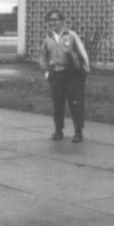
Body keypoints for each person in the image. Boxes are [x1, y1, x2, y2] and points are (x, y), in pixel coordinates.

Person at [39, 9, 90, 143]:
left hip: (72, 74)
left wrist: (84, 71)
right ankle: (58, 130)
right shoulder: (47, 39)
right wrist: (47, 73)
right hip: (56, 75)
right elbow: (43, 58)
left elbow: (82, 53)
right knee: (58, 103)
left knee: (75, 103)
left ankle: (78, 131)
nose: (52, 22)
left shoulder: (71, 36)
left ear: (62, 21)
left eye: (55, 19)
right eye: (50, 20)